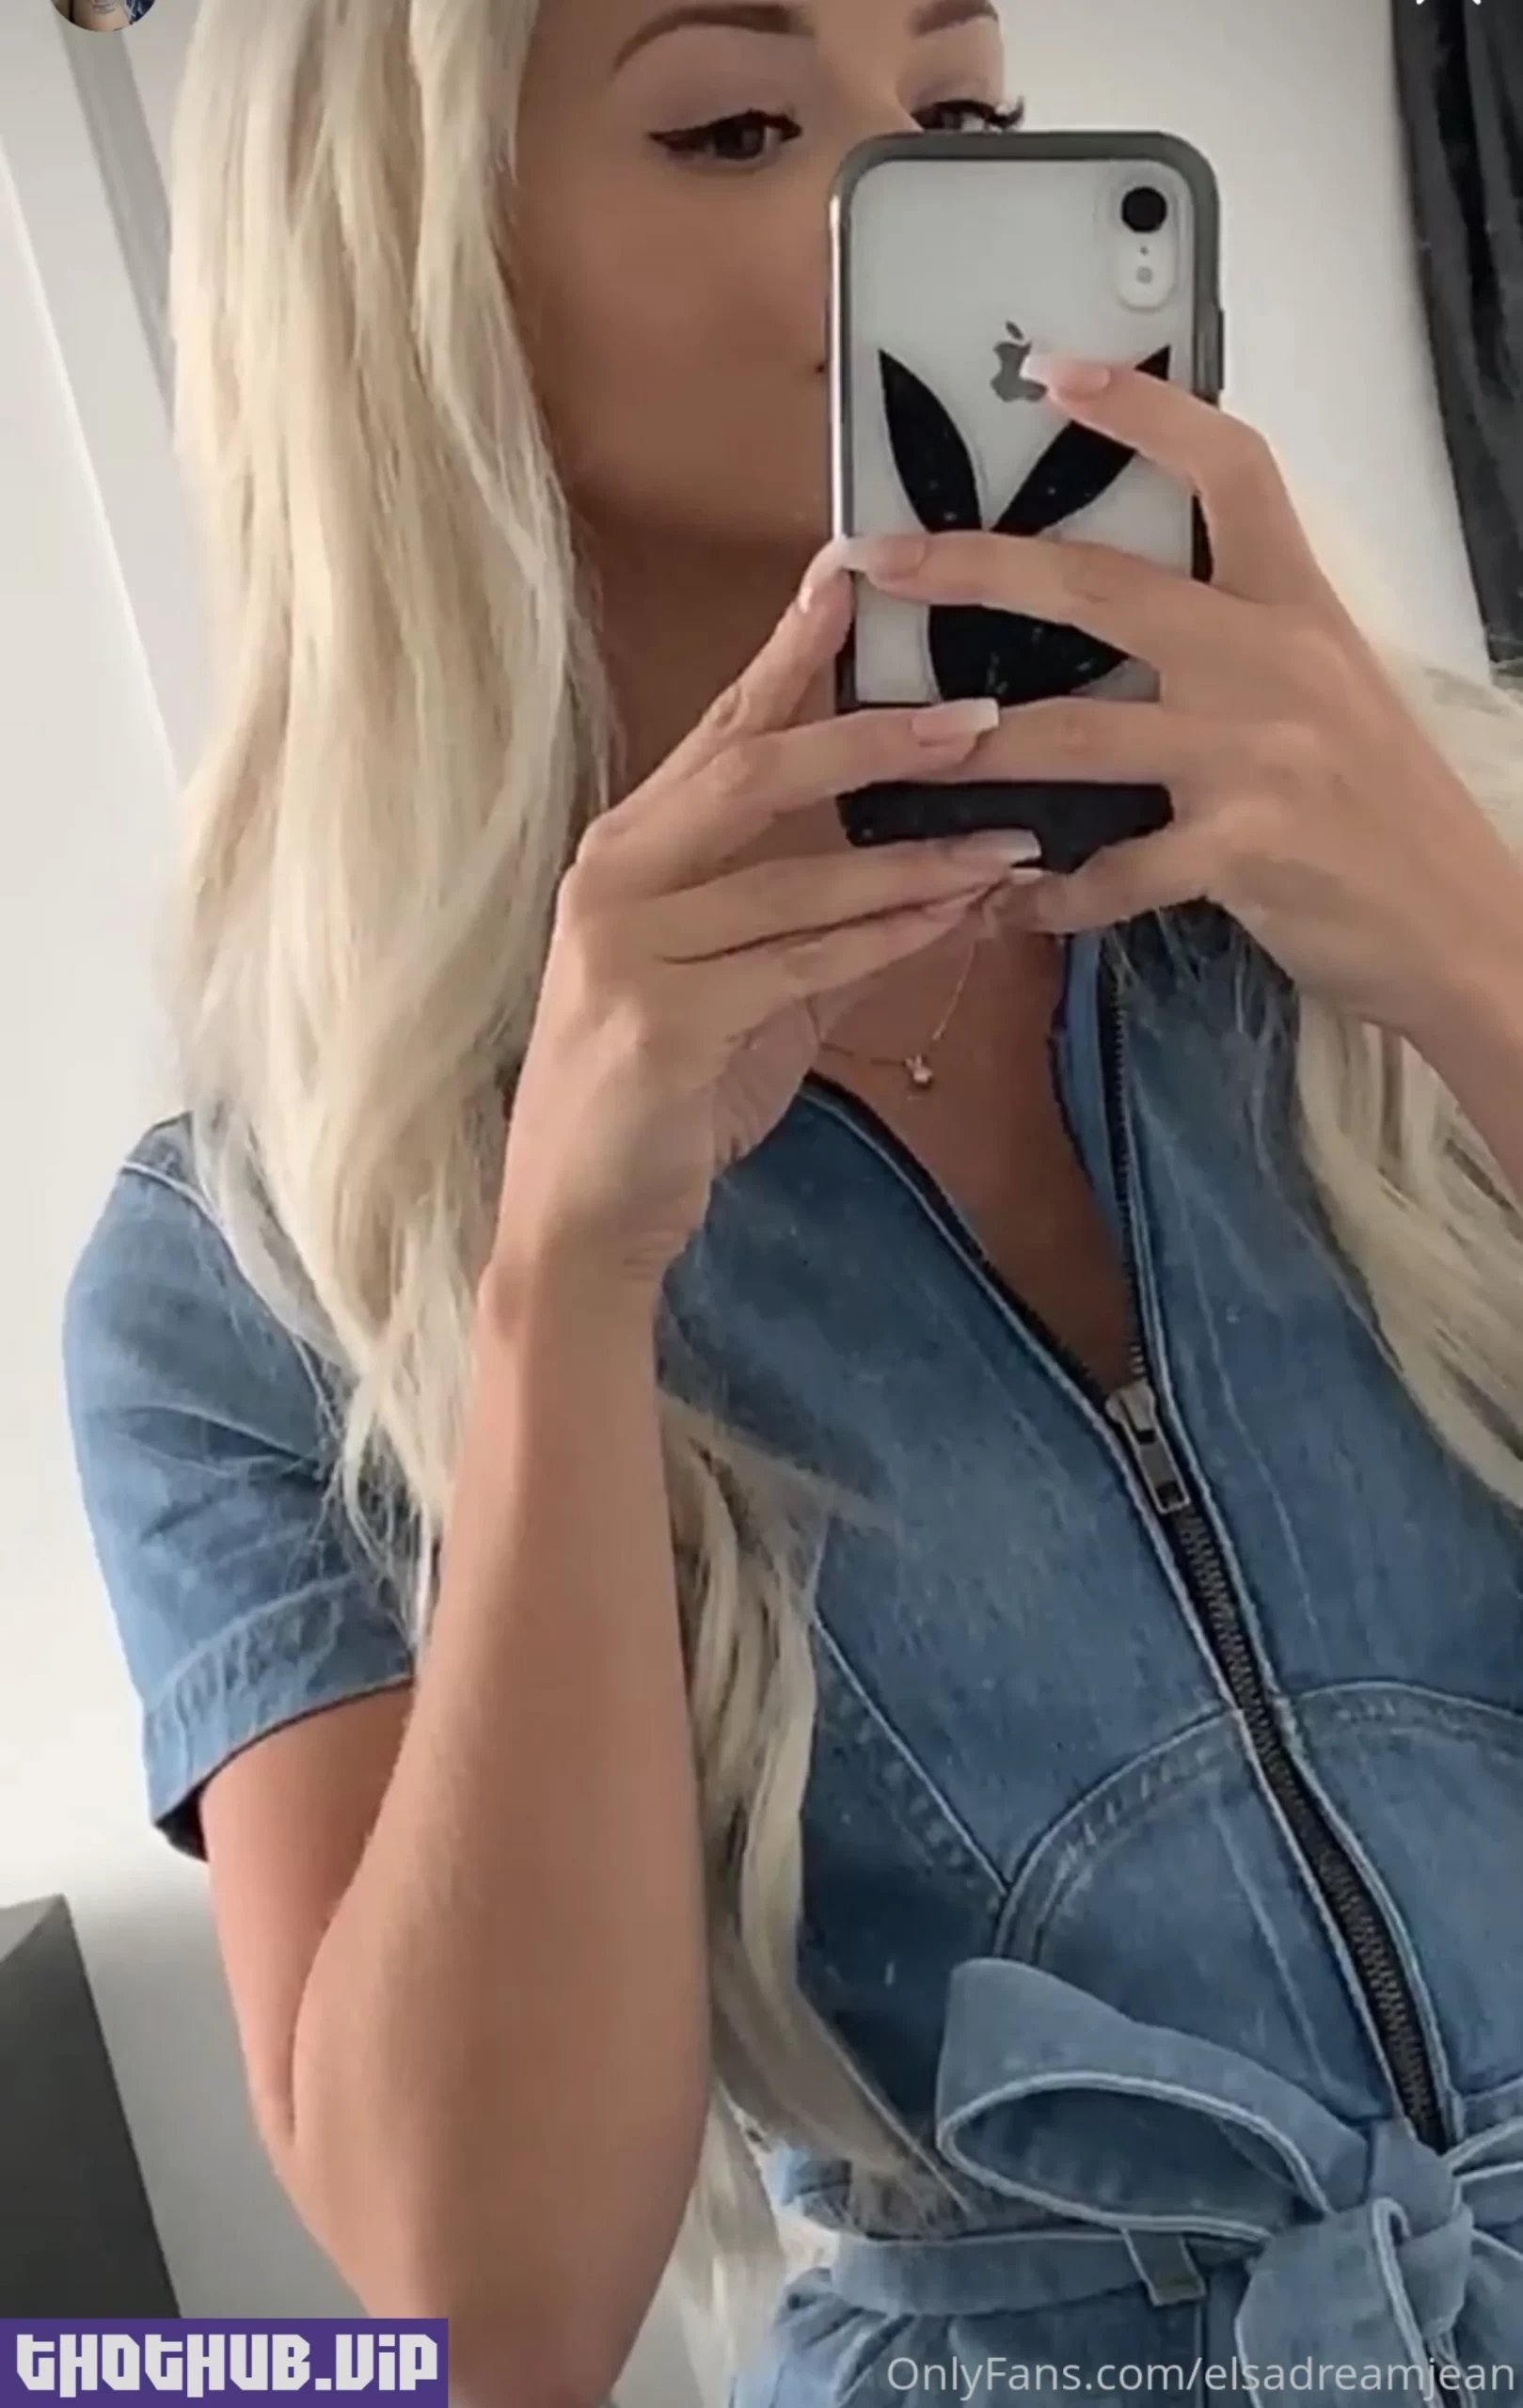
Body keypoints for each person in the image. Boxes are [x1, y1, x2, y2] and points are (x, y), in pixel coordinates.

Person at [56, 0, 1523, 2400]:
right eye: (737, 123)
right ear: (416, 282)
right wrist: (563, 1280)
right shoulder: (258, 1267)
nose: (914, 204)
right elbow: (489, 2307)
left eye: (957, 113)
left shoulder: (1410, 867)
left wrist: (1473, 963)